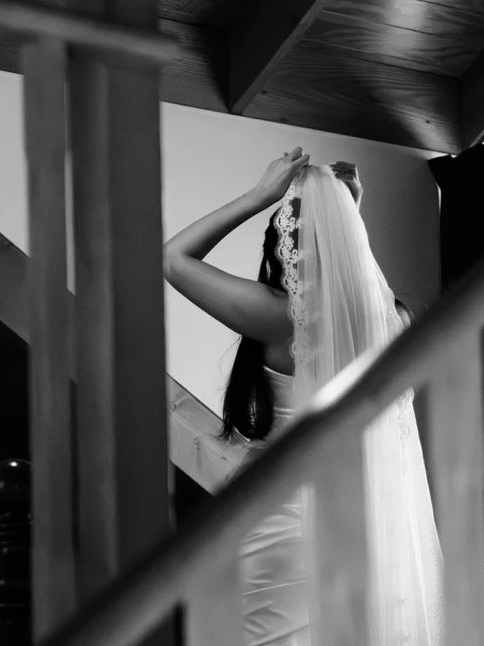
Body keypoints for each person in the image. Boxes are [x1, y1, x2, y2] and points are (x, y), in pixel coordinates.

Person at [163, 148, 444, 645]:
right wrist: (346, 215)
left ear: (280, 249)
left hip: (281, 525)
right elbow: (350, 285)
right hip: (360, 529)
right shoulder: (395, 321)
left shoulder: (281, 317)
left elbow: (173, 259)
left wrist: (259, 196)